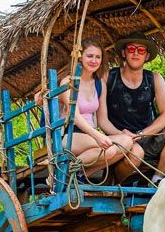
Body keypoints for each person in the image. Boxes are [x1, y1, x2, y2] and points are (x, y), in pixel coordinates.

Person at [98, 32, 165, 185]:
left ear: (146, 56)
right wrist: (123, 136)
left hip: (147, 137)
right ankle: (117, 183)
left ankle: (158, 179)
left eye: (140, 50)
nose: (135, 53)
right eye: (131, 49)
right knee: (136, 153)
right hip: (119, 140)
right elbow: (102, 120)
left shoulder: (154, 78)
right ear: (123, 53)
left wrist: (141, 135)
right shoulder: (108, 77)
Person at [44, 38, 134, 179]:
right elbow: (75, 116)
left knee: (127, 143)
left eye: (98, 57)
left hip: (90, 135)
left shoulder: (99, 84)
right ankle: (65, 172)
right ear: (80, 58)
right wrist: (98, 136)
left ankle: (82, 173)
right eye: (89, 56)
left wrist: (122, 134)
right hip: (69, 135)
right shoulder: (68, 81)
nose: (94, 60)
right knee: (109, 150)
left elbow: (103, 120)